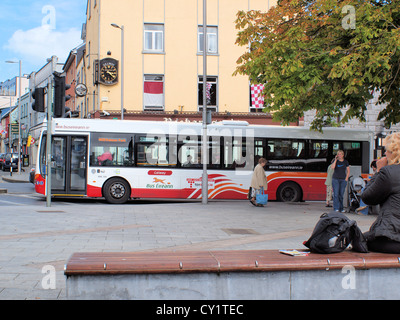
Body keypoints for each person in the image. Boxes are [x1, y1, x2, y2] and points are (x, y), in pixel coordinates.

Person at [361, 132, 400, 253]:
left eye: (386, 150)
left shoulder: (389, 173)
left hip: (393, 238)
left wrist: (378, 170)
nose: (384, 154)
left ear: (393, 153)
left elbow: (367, 197)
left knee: (359, 239)